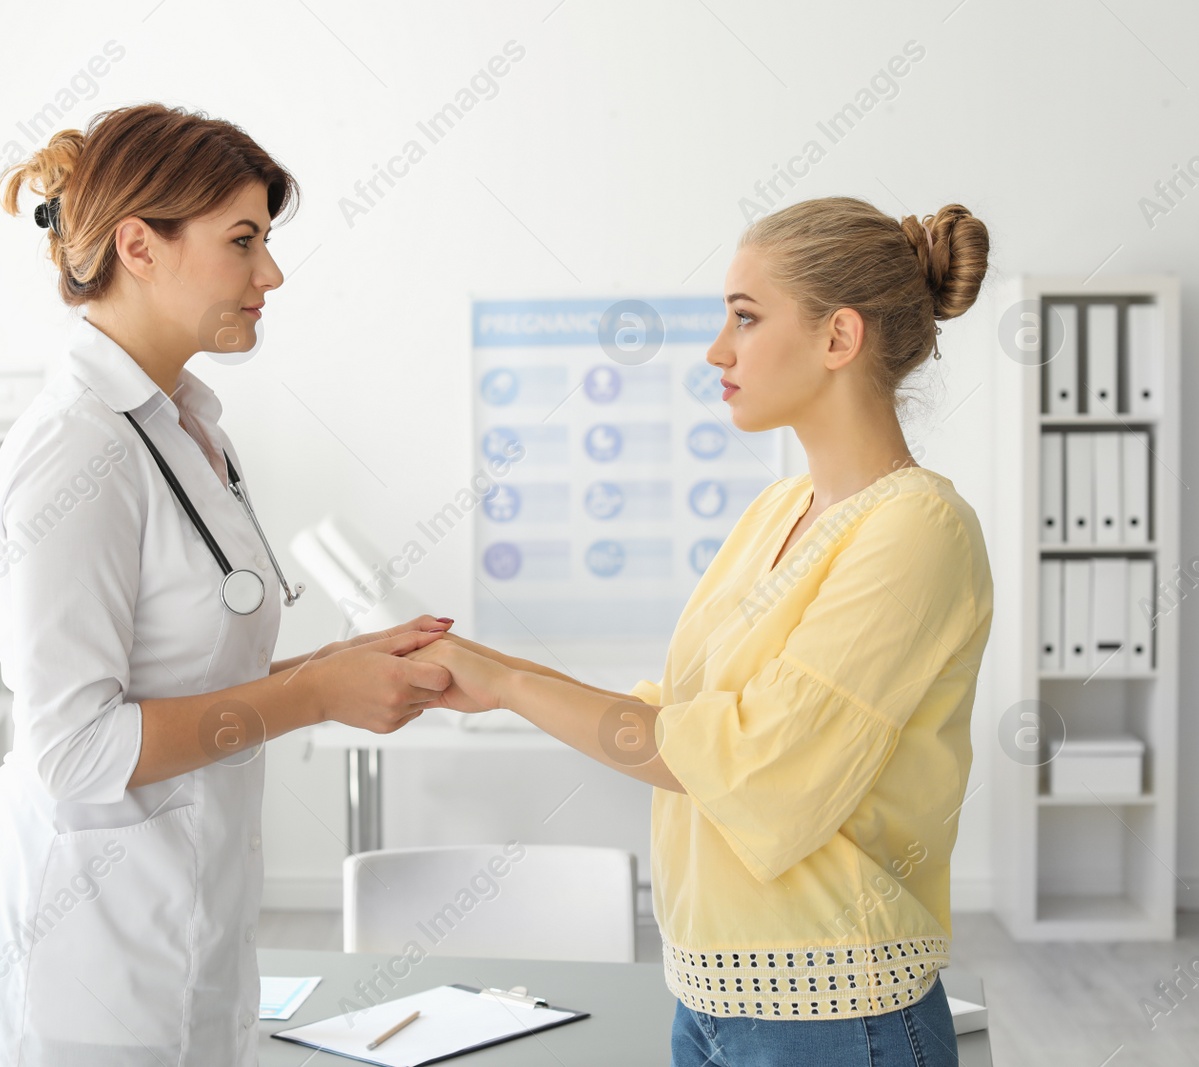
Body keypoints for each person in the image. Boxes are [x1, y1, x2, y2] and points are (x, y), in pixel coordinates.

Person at [411, 197, 993, 1067]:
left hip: (838, 1018)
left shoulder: (919, 527)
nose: (717, 350)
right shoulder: (779, 509)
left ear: (839, 339)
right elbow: (683, 712)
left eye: (745, 318)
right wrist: (483, 666)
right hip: (708, 999)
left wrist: (507, 684)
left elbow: (755, 765)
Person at [0, 103, 452, 1065]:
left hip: (184, 927)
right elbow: (75, 751)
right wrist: (315, 696)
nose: (272, 274)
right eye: (244, 241)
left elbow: (186, 665)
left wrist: (341, 660)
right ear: (140, 244)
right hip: (81, 962)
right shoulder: (74, 451)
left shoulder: (187, 428)